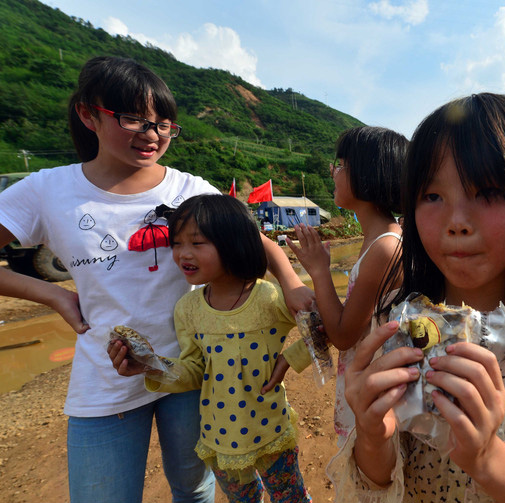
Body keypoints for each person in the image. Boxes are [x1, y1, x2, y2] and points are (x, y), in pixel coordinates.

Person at [0, 56, 312, 503]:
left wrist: (292, 283)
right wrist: (50, 294)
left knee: (194, 490)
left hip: (192, 371)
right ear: (89, 115)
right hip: (107, 377)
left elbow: (255, 241)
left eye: (164, 124)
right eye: (133, 119)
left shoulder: (187, 189)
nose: (151, 135)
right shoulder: (48, 190)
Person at [327, 93, 505, 502]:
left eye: (489, 192)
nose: (457, 222)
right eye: (432, 196)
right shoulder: (396, 317)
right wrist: (371, 436)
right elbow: (374, 482)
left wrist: (489, 457)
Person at [109, 194, 313, 503]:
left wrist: (289, 358)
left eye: (197, 243)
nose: (182, 254)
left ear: (234, 242)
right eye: (176, 244)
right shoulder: (187, 309)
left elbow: (321, 327)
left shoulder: (269, 299)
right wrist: (151, 365)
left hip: (271, 430)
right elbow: (194, 370)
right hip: (219, 440)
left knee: (290, 497)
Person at [286, 126, 407, 446]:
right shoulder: (381, 238)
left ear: (366, 175)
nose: (332, 171)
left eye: (340, 164)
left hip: (371, 387)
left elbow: (343, 335)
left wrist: (320, 271)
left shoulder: (383, 247)